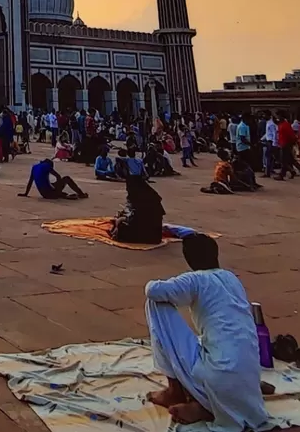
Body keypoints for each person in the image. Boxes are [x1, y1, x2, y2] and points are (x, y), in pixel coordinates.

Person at [144, 234, 274, 431]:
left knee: (155, 303)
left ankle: (175, 391)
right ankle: (218, 402)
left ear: (189, 259)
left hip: (218, 375)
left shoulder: (195, 279)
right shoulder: (231, 278)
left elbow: (153, 290)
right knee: (225, 341)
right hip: (248, 375)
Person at [112, 174, 166, 244]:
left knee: (120, 226)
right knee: (119, 222)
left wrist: (122, 219)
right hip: (156, 236)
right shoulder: (149, 195)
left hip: (146, 234)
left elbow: (138, 219)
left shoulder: (141, 199)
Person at [20, 158, 88, 200]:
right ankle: (81, 194)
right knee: (66, 178)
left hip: (43, 194)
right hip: (50, 194)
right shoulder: (48, 166)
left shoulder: (34, 167)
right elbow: (58, 176)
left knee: (51, 184)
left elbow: (30, 182)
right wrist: (58, 187)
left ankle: (59, 193)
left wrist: (25, 193)